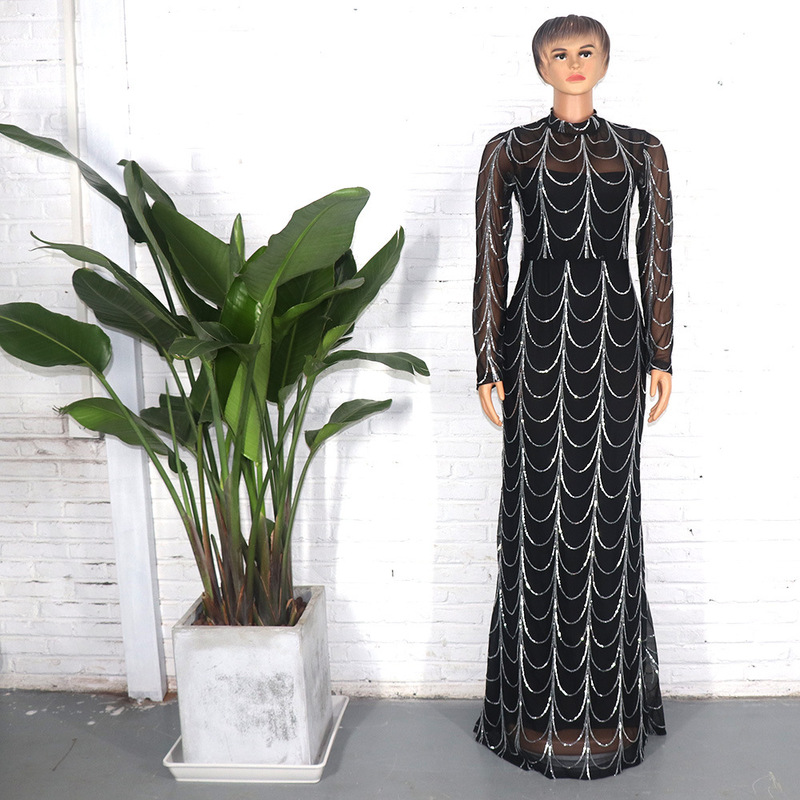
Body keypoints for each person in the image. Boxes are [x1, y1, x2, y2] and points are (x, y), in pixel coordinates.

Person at [472, 14, 672, 779]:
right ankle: (537, 716)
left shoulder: (642, 150)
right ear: (540, 65)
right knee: (537, 512)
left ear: (606, 59)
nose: (574, 62)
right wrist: (486, 359)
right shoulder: (509, 150)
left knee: (609, 513)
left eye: (586, 51)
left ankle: (608, 713)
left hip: (617, 338)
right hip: (535, 337)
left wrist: (662, 352)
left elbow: (656, 253)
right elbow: (491, 256)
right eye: (559, 53)